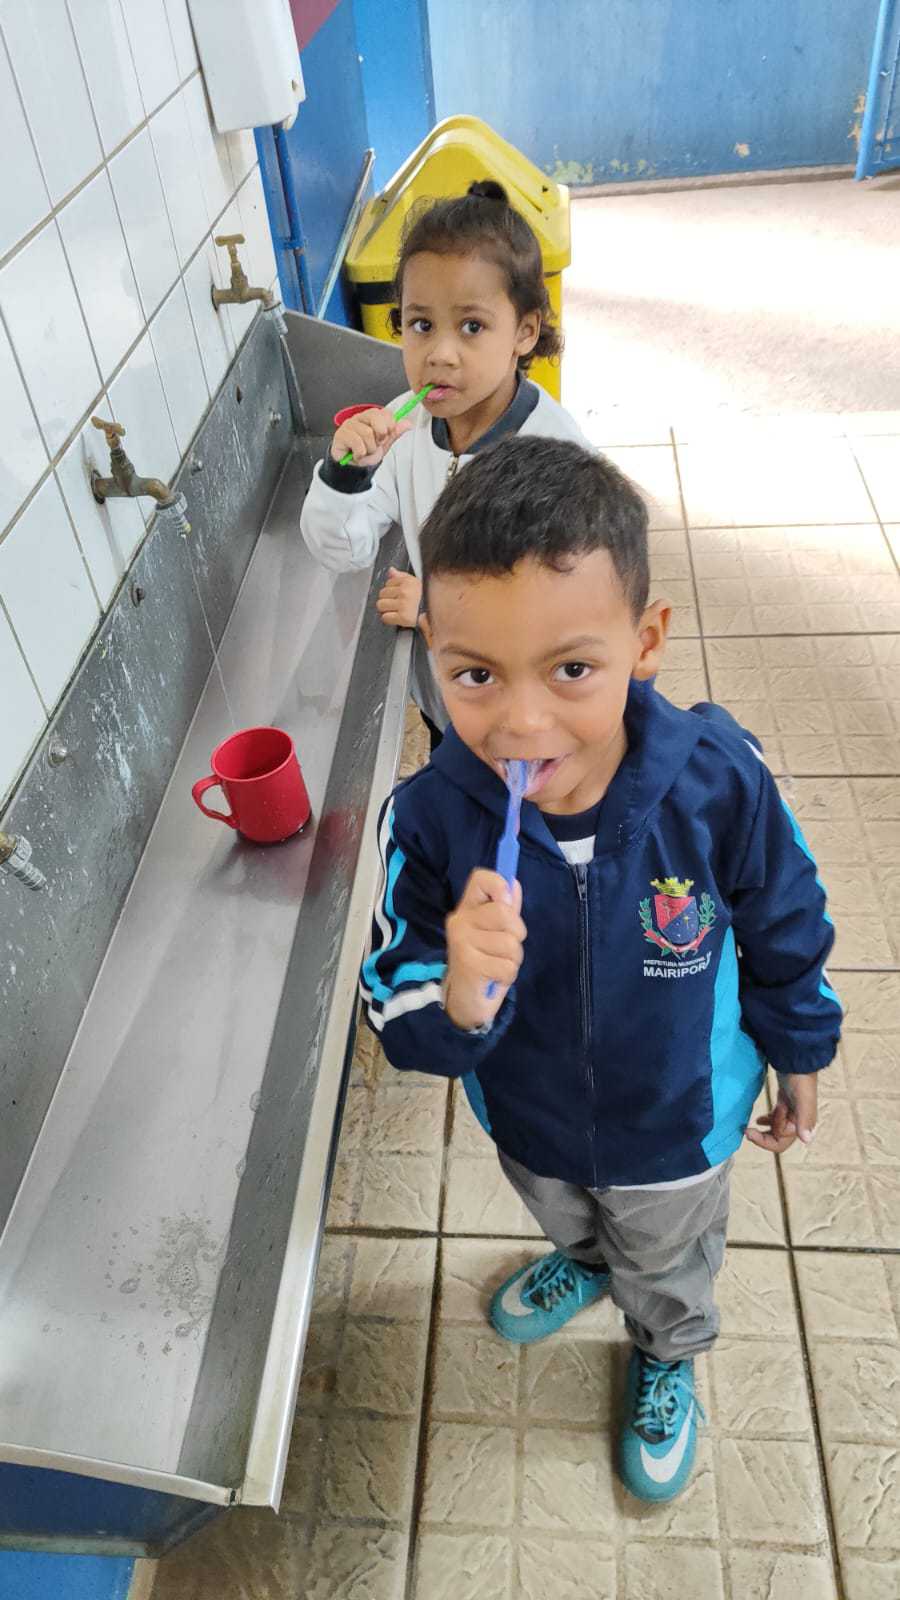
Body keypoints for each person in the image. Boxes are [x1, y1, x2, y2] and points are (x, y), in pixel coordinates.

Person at [360, 435, 841, 1503]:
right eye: (475, 675)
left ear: (645, 641)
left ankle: (665, 1349)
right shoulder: (430, 819)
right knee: (567, 1212)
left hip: (679, 1124)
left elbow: (788, 916)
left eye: (571, 669)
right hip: (530, 1115)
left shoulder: (719, 782)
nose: (522, 722)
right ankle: (582, 1260)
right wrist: (461, 996)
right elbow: (392, 994)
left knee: (665, 1262)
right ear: (433, 650)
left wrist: (802, 1046)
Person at [300, 180, 591, 749]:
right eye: (421, 324)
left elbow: (568, 611)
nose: (439, 353)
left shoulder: (553, 459)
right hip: (450, 706)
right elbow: (343, 551)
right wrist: (345, 478)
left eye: (472, 326)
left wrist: (438, 612)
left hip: (528, 718)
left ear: (524, 332)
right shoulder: (405, 431)